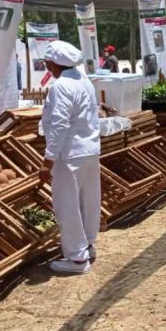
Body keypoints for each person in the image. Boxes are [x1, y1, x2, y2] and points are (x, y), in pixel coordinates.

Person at [38, 41, 101, 275]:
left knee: (68, 205)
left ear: (53, 63)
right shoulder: (84, 81)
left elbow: (59, 124)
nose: (47, 67)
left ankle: (76, 258)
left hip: (69, 153)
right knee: (89, 201)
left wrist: (48, 160)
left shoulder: (60, 86)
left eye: (47, 63)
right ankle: (87, 245)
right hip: (89, 149)